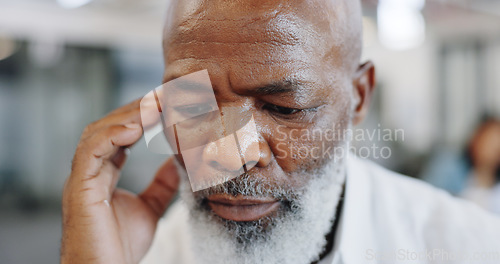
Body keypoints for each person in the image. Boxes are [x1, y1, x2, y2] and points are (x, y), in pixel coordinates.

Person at [60, 0, 500, 264]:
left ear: (360, 98)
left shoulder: (466, 249)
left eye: (284, 108)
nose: (229, 153)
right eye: (194, 103)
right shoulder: (141, 252)